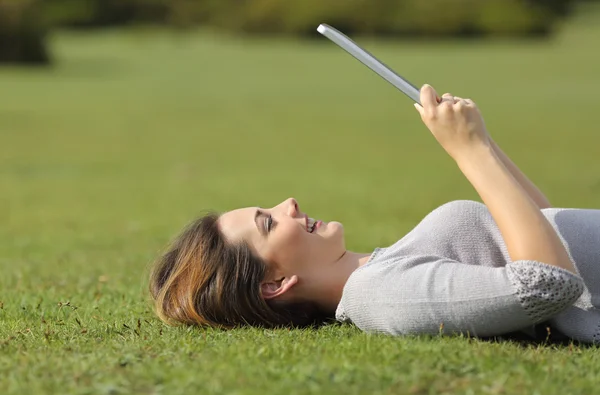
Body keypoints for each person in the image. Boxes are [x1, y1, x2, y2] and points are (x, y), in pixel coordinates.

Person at [149, 84, 600, 343]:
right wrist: (470, 152)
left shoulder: (385, 264)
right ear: (275, 284)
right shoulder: (383, 296)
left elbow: (542, 224)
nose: (288, 204)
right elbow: (546, 284)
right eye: (268, 222)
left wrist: (479, 139)